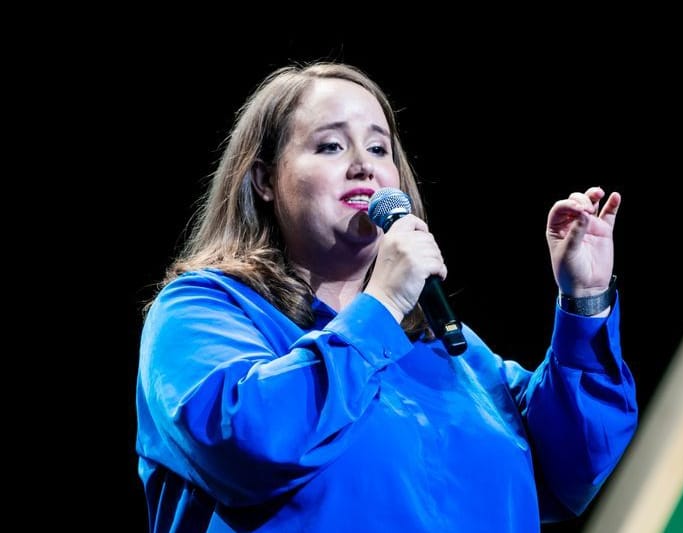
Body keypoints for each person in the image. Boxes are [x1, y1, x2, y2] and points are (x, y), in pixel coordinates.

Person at [135, 61, 638, 533]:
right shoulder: (201, 310)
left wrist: (585, 300)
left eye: (379, 149)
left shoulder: (447, 351)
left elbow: (573, 468)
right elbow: (245, 441)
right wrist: (380, 307)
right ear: (266, 180)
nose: (364, 167)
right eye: (331, 146)